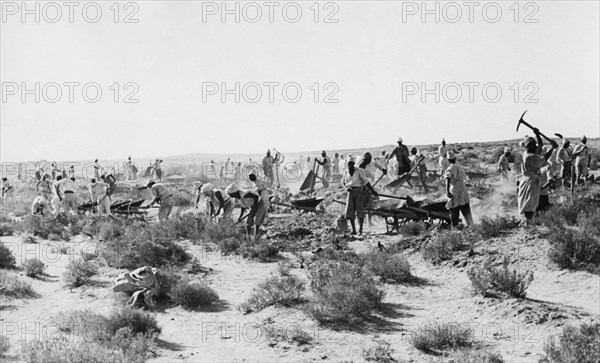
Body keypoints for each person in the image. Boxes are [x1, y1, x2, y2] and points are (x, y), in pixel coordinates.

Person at [517, 132, 557, 226]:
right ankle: (528, 223)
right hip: (530, 182)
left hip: (531, 180)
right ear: (529, 146)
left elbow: (540, 145)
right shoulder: (529, 157)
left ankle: (530, 222)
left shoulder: (530, 152)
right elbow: (544, 158)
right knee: (529, 202)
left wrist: (537, 134)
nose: (536, 146)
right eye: (534, 144)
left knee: (533, 202)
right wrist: (553, 148)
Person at [342, 153, 381, 236]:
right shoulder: (345, 172)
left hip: (359, 192)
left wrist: (373, 191)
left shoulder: (359, 171)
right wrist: (346, 188)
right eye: (349, 164)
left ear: (354, 164)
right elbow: (343, 182)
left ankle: (360, 230)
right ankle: (354, 230)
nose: (351, 166)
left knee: (360, 211)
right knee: (350, 211)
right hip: (350, 192)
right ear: (347, 164)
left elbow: (366, 182)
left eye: (352, 164)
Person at [445, 152, 474, 229]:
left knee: (454, 208)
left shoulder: (450, 168)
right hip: (463, 189)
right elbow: (465, 177)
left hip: (455, 189)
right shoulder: (459, 167)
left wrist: (447, 191)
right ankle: (471, 225)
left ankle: (455, 227)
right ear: (455, 159)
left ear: (448, 160)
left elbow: (448, 179)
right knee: (465, 207)